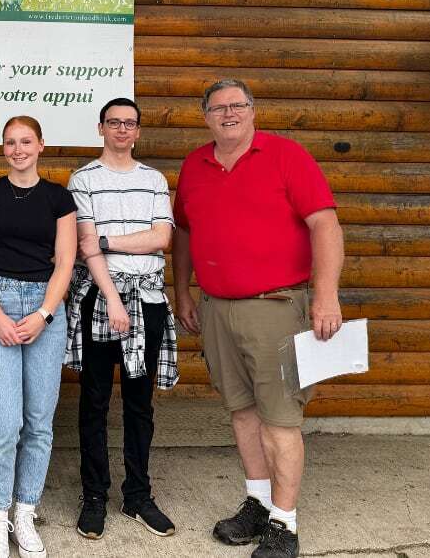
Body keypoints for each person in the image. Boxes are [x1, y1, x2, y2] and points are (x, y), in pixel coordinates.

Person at [172, 79, 344, 558]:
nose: (228, 114)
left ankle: (285, 525)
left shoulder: (287, 155)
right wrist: (182, 289)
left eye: (237, 105)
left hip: (275, 307)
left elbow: (325, 223)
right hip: (216, 308)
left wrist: (325, 295)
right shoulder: (195, 165)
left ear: (253, 110)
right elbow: (184, 230)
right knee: (242, 412)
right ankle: (259, 501)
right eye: (218, 108)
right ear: (204, 115)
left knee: (280, 418)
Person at [66, 97, 179, 542]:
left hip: (148, 299)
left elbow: (163, 237)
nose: (121, 130)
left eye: (129, 123)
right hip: (100, 297)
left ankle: (138, 495)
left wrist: (111, 239)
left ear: (137, 131)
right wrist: (112, 297)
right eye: (114, 123)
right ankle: (94, 495)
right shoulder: (83, 179)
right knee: (93, 402)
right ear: (100, 129)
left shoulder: (154, 179)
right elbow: (85, 246)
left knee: (139, 402)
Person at [0, 116, 77, 558]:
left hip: (44, 306)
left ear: (41, 145)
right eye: (11, 142)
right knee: (4, 420)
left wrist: (45, 315)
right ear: (3, 148)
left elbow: (66, 261)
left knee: (38, 421)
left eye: (25, 141)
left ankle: (25, 512)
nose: (18, 149)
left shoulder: (58, 197)